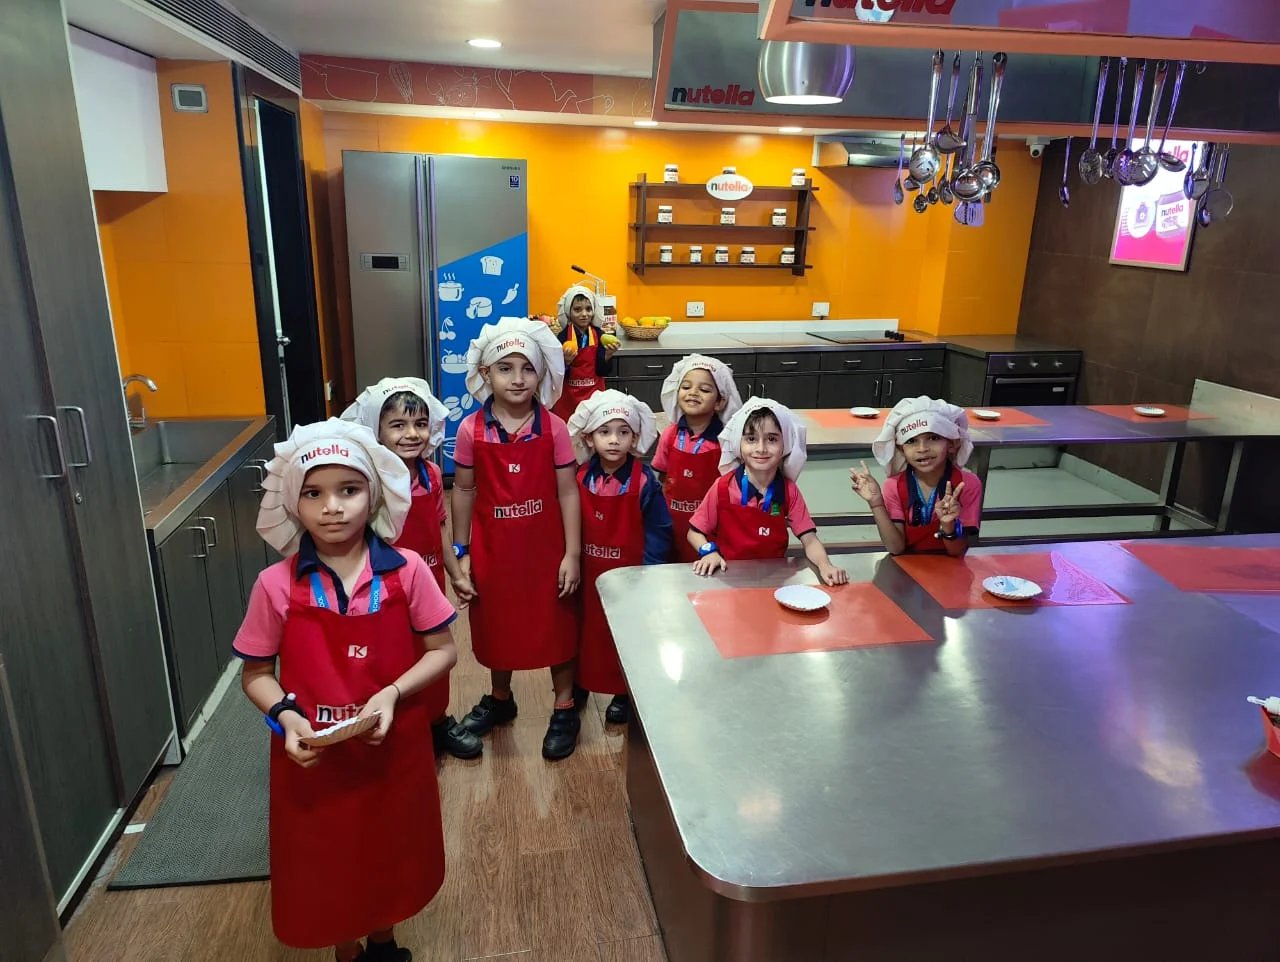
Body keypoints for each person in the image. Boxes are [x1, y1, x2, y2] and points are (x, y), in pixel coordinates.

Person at [234, 419, 458, 962]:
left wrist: (392, 693)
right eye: (313, 493)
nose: (332, 507)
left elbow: (443, 650)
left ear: (374, 496)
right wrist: (287, 718)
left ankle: (382, 943)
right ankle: (346, 950)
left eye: (349, 490)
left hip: (393, 748)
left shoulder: (407, 571)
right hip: (315, 758)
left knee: (389, 847)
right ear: (292, 504)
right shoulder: (275, 586)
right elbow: (256, 674)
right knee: (330, 857)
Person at [451, 317, 585, 760]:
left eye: (528, 368)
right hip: (494, 551)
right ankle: (501, 699)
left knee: (557, 625)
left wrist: (572, 553)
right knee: (497, 625)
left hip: (547, 551)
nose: (517, 378)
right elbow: (464, 490)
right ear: (485, 373)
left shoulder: (555, 428)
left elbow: (568, 491)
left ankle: (564, 706)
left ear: (542, 374)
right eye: (505, 368)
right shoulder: (470, 430)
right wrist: (462, 550)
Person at [341, 377, 482, 760]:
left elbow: (439, 528)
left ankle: (436, 720)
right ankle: (398, 725)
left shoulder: (432, 474)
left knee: (433, 651)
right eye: (398, 425)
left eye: (420, 424)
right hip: (384, 587)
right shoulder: (369, 482)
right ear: (376, 431)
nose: (411, 434)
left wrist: (456, 575)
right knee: (392, 656)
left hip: (431, 582)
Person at [566, 390, 673, 724]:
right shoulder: (579, 478)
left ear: (635, 438)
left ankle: (624, 691)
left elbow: (659, 530)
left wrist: (649, 572)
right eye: (605, 432)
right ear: (588, 437)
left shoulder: (645, 482)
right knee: (586, 630)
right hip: (588, 573)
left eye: (623, 432)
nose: (614, 440)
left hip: (630, 577)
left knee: (628, 634)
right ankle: (581, 682)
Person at [687, 397, 847, 585]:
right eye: (751, 439)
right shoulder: (722, 487)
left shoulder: (789, 491)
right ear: (738, 444)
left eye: (771, 439)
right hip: (728, 578)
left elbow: (810, 539)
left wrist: (825, 565)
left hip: (774, 581)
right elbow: (694, 532)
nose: (761, 448)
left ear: (785, 445)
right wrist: (709, 552)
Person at [849, 396, 983, 555]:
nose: (922, 448)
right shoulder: (894, 486)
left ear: (952, 444)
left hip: (950, 566)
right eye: (911, 441)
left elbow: (957, 552)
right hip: (905, 566)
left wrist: (948, 526)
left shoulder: (967, 484)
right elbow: (896, 548)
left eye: (933, 438)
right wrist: (877, 504)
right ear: (901, 449)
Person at [652, 354, 743, 563]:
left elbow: (732, 487)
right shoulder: (669, 435)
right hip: (672, 523)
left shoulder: (725, 442)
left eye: (704, 389)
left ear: (720, 402)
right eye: (686, 387)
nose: (693, 392)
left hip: (711, 528)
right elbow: (663, 477)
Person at [550, 284, 619, 422]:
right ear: (568, 312)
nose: (584, 314)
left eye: (588, 309)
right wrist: (565, 362)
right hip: (568, 400)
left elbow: (602, 371)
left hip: (594, 398)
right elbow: (556, 376)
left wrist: (607, 356)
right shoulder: (562, 337)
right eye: (577, 309)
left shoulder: (600, 335)